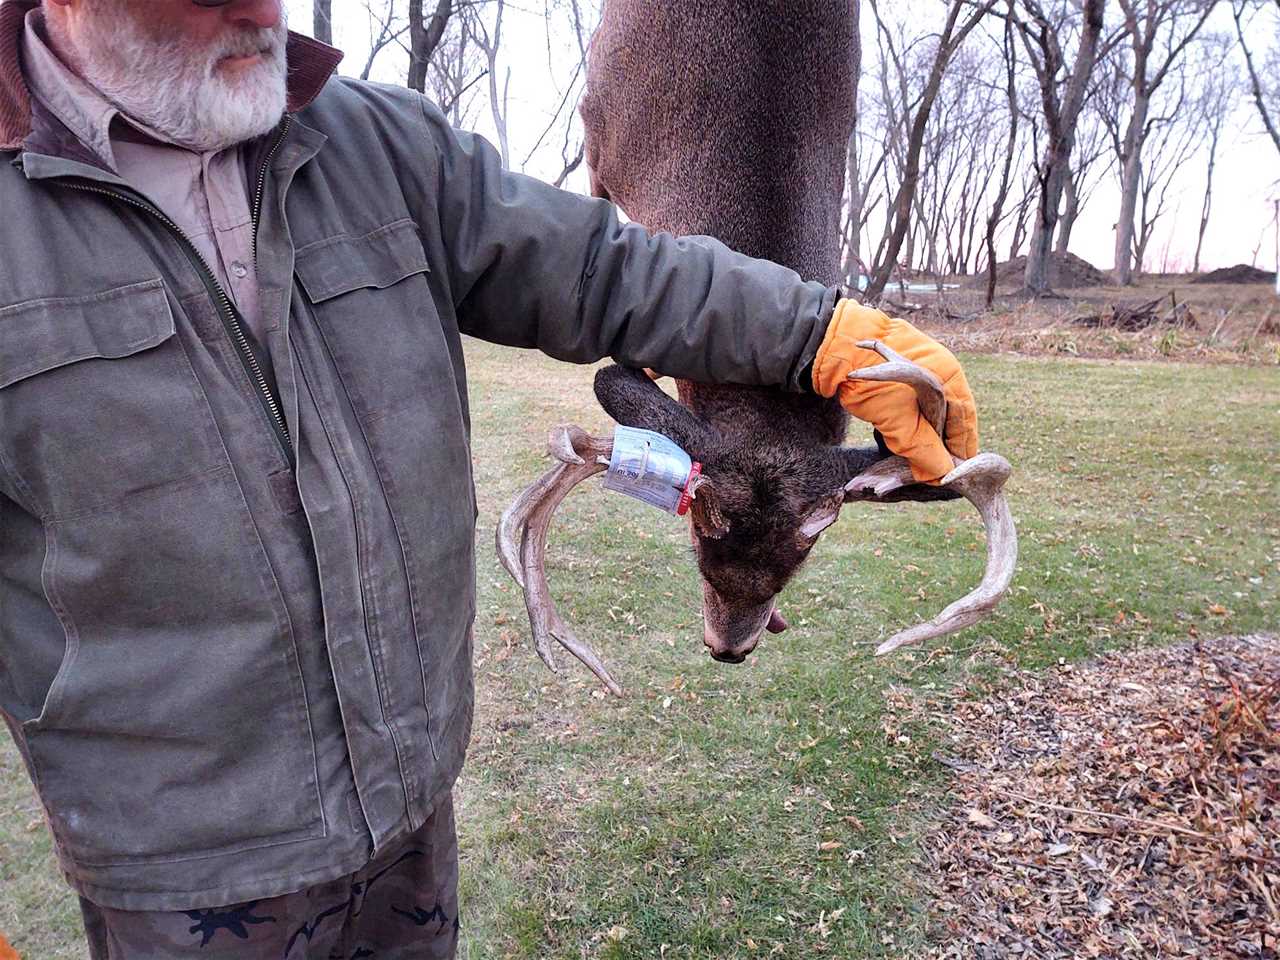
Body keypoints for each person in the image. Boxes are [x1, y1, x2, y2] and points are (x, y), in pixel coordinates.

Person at [0, 0, 978, 956]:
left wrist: (818, 333)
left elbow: (602, 268)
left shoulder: (377, 146)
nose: (261, 14)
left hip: (410, 801)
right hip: (183, 865)